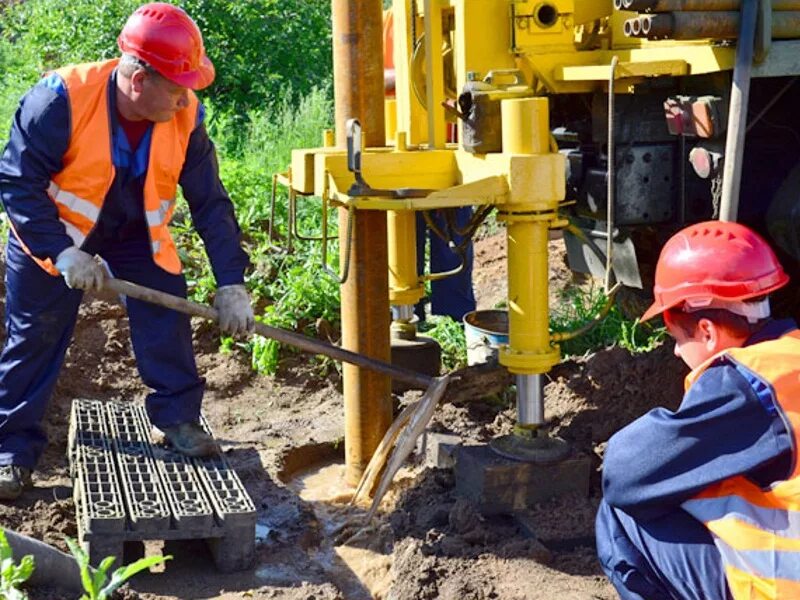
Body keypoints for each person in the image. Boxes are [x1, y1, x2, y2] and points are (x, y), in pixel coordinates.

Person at [0, 3, 254, 500]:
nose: (187, 101)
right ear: (139, 81)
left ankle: (179, 418)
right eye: (178, 88)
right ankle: (11, 450)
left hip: (135, 230)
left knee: (165, 308)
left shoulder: (186, 118)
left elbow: (211, 203)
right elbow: (17, 182)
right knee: (34, 335)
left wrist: (231, 281)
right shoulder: (59, 101)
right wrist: (60, 252)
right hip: (58, 231)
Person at [595, 220, 800, 599]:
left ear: (706, 331)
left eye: (676, 337)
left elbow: (625, 473)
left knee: (622, 515)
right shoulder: (790, 358)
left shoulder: (749, 384)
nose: (675, 352)